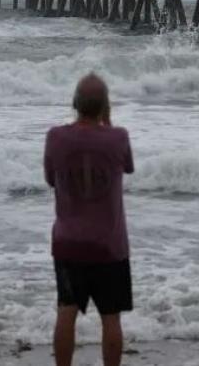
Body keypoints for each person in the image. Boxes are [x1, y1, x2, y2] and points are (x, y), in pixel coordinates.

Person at [43, 73, 134, 366]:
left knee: (66, 312)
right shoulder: (118, 137)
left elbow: (50, 179)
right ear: (105, 106)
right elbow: (128, 166)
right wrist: (106, 123)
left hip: (68, 242)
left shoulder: (56, 137)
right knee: (111, 318)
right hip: (109, 245)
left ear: (74, 103)